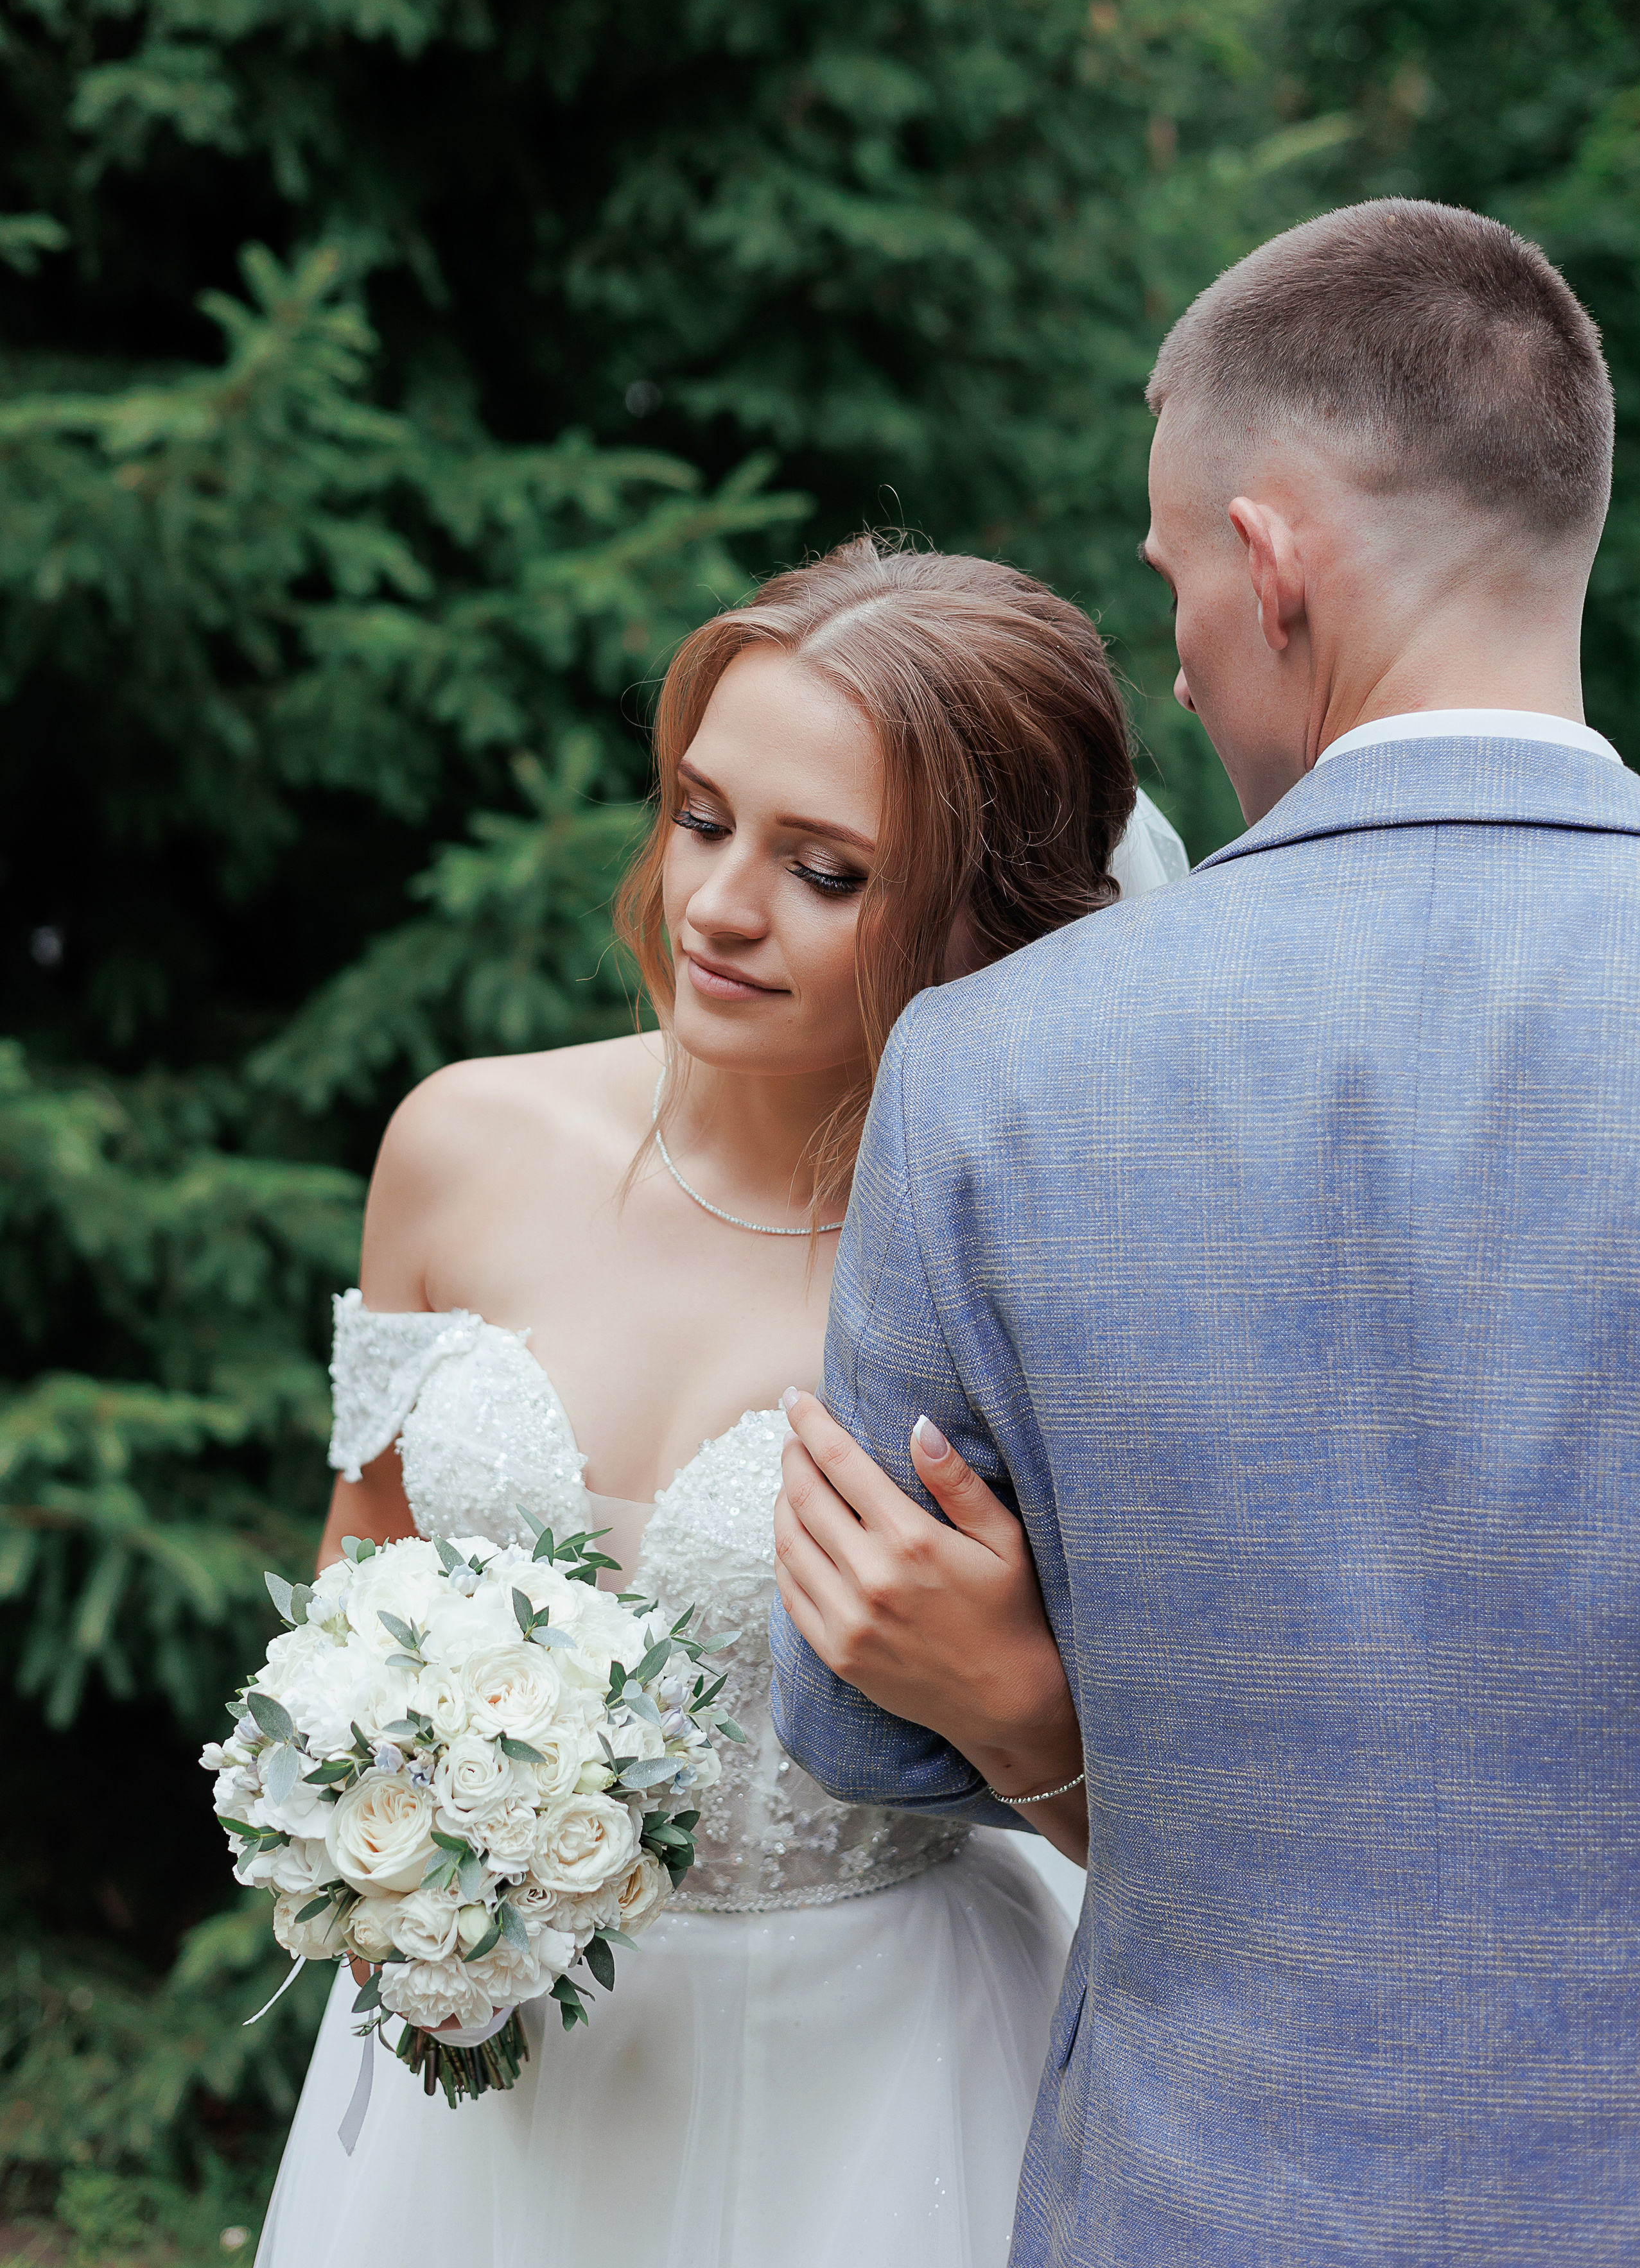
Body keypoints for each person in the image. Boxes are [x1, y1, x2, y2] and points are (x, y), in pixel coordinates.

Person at [771, 201, 1640, 2265]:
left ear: (1269, 571)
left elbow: (856, 1721)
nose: (1173, 654)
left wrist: (1040, 1708)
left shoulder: (993, 1068)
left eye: (1173, 581)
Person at [252, 535, 1186, 2268]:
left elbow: (1218, 1838)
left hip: (877, 2088)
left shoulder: (1032, 1281)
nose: (719, 907)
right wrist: (381, 1855)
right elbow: (353, 1577)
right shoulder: (460, 1146)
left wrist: (1017, 1716)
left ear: (984, 918)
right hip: (487, 2096)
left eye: (825, 870)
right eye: (700, 816)